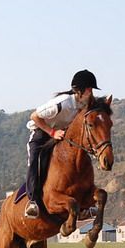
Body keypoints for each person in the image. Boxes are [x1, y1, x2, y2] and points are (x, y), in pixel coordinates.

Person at [24, 69, 100, 218]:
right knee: (36, 161)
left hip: (62, 136)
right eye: (89, 90)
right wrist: (52, 133)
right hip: (41, 134)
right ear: (79, 91)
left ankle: (84, 205)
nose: (91, 93)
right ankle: (32, 202)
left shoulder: (83, 105)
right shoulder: (62, 103)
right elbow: (34, 116)